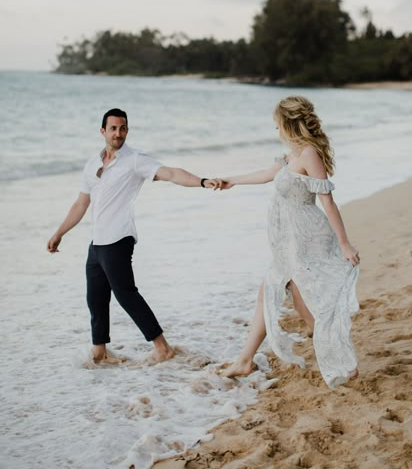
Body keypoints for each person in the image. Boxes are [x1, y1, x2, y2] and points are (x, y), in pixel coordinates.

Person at [47, 107, 219, 364]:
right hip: (97, 243)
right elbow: (81, 204)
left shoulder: (135, 160)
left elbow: (171, 173)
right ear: (103, 131)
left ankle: (162, 347)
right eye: (114, 128)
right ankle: (100, 352)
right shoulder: (93, 164)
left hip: (119, 239)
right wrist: (60, 232)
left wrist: (203, 181)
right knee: (95, 297)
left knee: (126, 293)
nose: (118, 133)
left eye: (123, 128)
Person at [219, 96, 360, 389]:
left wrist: (344, 244)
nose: (276, 131)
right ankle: (245, 360)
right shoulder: (291, 155)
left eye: (277, 125)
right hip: (288, 240)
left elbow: (327, 201)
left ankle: (340, 359)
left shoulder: (309, 154)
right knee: (273, 292)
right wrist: (231, 180)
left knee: (297, 298)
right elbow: (265, 175)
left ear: (288, 123)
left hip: (306, 238)